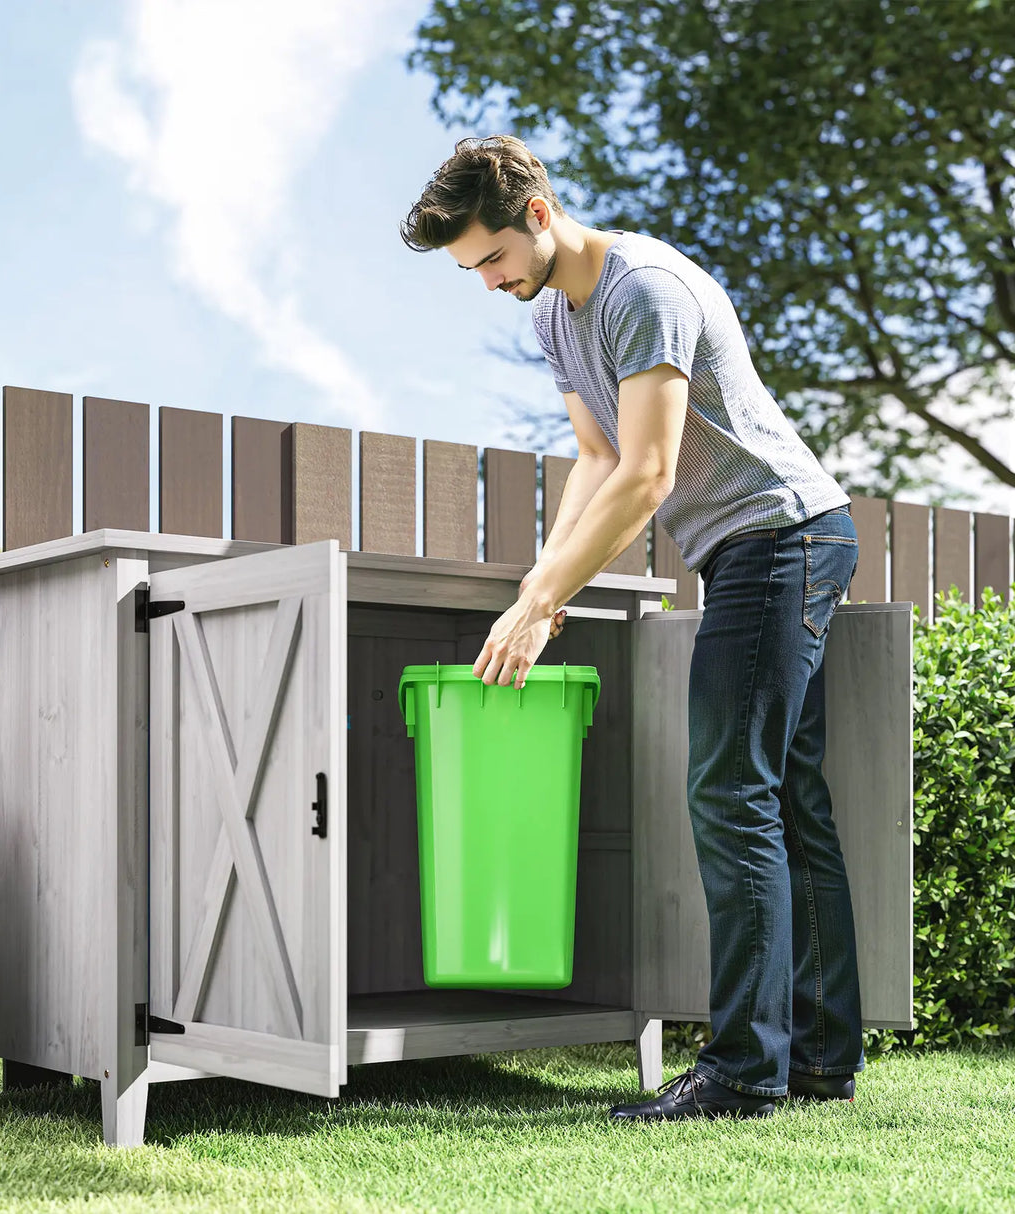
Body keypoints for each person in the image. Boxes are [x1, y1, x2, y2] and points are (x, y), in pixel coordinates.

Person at [400, 135, 864, 1122]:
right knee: (783, 802)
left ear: (534, 214)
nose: (485, 283)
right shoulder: (554, 321)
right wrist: (541, 577)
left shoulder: (642, 288)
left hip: (779, 536)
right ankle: (817, 1058)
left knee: (731, 791)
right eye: (466, 271)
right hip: (759, 545)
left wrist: (538, 603)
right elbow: (593, 455)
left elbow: (647, 476)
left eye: (487, 259)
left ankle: (743, 1070)